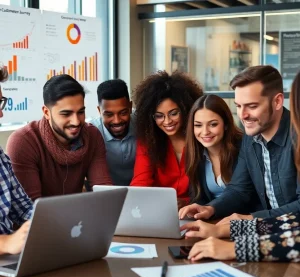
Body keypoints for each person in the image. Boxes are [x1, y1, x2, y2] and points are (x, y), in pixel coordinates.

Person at [180, 70, 300, 263]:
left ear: (278, 102)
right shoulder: (250, 138)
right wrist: (210, 209)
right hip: (274, 238)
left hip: (280, 242)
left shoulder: (297, 137)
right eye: (238, 106)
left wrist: (247, 223)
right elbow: (240, 189)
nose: (243, 115)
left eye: (252, 106)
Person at [6, 75, 112, 201]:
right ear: (46, 112)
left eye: (80, 112)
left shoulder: (92, 135)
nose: (76, 121)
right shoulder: (23, 141)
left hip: (77, 217)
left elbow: (104, 191)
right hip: (40, 219)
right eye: (66, 114)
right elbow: (30, 209)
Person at [130, 71, 203, 208]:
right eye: (159, 116)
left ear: (186, 109)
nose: (167, 121)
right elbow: (140, 183)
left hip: (197, 212)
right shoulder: (148, 141)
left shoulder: (201, 137)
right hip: (157, 210)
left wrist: (187, 202)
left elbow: (213, 191)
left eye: (173, 113)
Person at [184, 94, 243, 207]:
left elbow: (246, 195)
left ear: (225, 124)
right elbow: (198, 197)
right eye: (198, 125)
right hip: (212, 219)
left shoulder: (243, 149)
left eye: (213, 124)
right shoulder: (195, 153)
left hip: (241, 218)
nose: (205, 132)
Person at [0, 65, 33, 255]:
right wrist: (5, 243)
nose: (2, 114)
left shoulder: (1, 158)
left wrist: (54, 223)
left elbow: (24, 209)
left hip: (7, 265)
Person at [90, 79, 136, 186]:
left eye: (123, 112)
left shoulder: (144, 124)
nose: (117, 120)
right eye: (109, 114)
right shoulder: (90, 132)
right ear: (99, 111)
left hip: (142, 193)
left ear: (130, 107)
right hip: (104, 196)